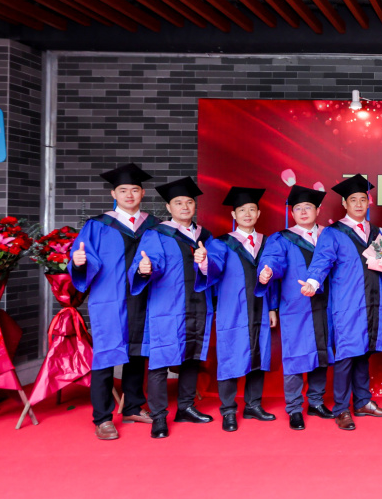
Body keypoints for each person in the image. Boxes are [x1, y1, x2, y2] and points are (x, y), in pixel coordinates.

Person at [68, 163, 159, 440]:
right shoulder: (97, 225)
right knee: (106, 355)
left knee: (137, 352)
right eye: (123, 190)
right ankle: (103, 417)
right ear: (113, 194)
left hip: (144, 295)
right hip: (109, 299)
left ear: (142, 193)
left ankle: (132, 407)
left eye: (134, 190)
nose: (129, 195)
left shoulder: (154, 225)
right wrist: (78, 262)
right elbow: (82, 258)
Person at [301, 174, 382, 431]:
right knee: (346, 355)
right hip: (347, 304)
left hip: (372, 301)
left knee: (364, 352)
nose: (359, 204)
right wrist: (312, 282)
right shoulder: (333, 233)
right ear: (344, 203)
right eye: (353, 200)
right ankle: (341, 408)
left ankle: (362, 402)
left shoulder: (378, 233)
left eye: (363, 199)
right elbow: (322, 261)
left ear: (368, 202)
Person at [129, 176, 214, 439]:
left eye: (189, 202)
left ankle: (186, 407)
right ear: (169, 207)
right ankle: (159, 416)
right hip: (168, 306)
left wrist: (206, 263)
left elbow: (217, 269)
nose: (185, 207)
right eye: (178, 203)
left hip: (199, 304)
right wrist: (145, 268)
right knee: (160, 360)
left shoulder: (204, 236)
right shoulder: (157, 234)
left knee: (192, 355)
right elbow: (150, 261)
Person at [257, 185, 331, 431]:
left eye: (308, 207)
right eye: (298, 208)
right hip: (296, 306)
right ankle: (295, 408)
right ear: (292, 213)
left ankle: (316, 402)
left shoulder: (329, 236)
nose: (303, 212)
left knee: (322, 354)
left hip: (327, 304)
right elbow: (273, 261)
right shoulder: (282, 238)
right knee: (295, 356)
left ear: (318, 210)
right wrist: (267, 271)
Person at [203, 187, 276, 432]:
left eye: (252, 209)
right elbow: (212, 269)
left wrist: (273, 308)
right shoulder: (221, 243)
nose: (247, 214)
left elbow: (275, 279)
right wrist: (204, 262)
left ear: (258, 213)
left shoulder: (268, 242)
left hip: (260, 307)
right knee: (230, 355)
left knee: (258, 353)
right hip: (232, 308)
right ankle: (228, 410)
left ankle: (253, 405)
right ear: (234, 214)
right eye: (242, 210)